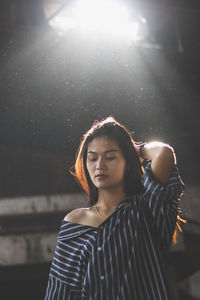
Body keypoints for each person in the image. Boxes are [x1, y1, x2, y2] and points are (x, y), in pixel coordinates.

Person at [45, 116, 184, 300]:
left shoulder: (147, 207)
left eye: (110, 157)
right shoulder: (74, 222)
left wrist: (137, 149)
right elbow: (60, 289)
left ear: (128, 163)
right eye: (92, 158)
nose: (99, 166)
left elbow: (164, 154)